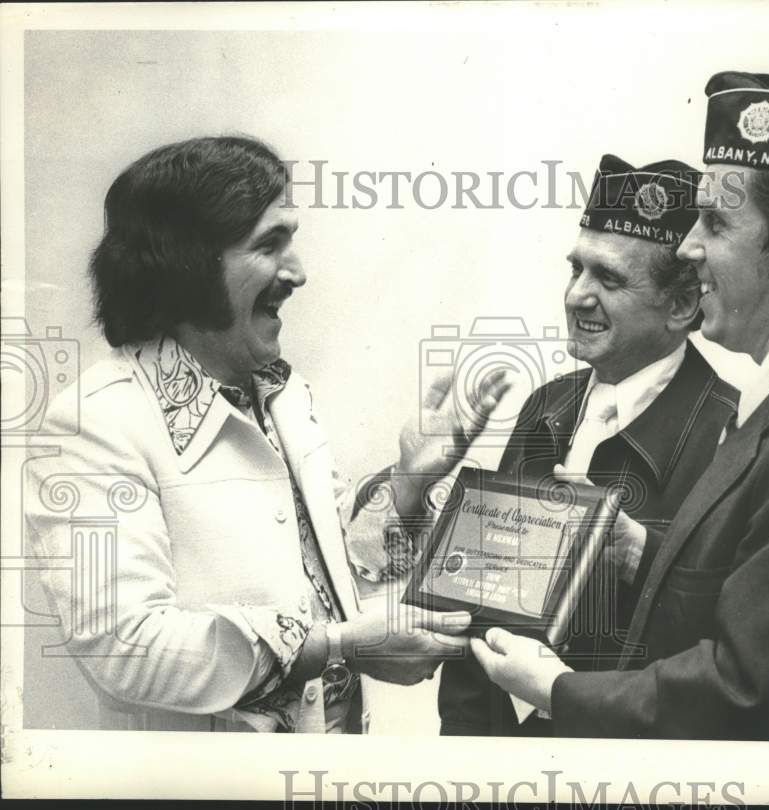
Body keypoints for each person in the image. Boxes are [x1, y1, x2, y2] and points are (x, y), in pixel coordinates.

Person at [472, 72, 769, 743]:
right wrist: (644, 552)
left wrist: (553, 689)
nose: (689, 246)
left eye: (716, 223)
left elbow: (748, 692)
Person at [23, 136, 510, 733]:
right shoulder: (92, 421)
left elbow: (332, 567)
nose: (299, 272)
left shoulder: (283, 393)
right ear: (188, 264)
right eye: (269, 244)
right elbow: (123, 648)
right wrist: (339, 646)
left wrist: (408, 485)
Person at [438, 155, 737, 736]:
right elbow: (479, 598)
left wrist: (637, 555)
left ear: (681, 307)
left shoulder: (732, 429)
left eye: (610, 278)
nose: (577, 296)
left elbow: (733, 647)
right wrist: (463, 753)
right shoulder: (546, 407)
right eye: (575, 269)